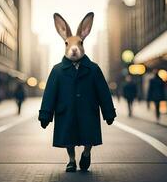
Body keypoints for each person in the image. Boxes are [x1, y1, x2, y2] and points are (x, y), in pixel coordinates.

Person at [39, 12, 116, 172]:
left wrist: (108, 113)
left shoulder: (94, 69)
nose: (74, 49)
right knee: (68, 137)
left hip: (88, 109)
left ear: (82, 44)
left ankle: (87, 153)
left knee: (89, 135)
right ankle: (71, 160)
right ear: (65, 45)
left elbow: (103, 92)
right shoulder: (57, 70)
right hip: (65, 110)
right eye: (69, 44)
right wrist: (45, 115)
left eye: (78, 44)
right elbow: (50, 94)